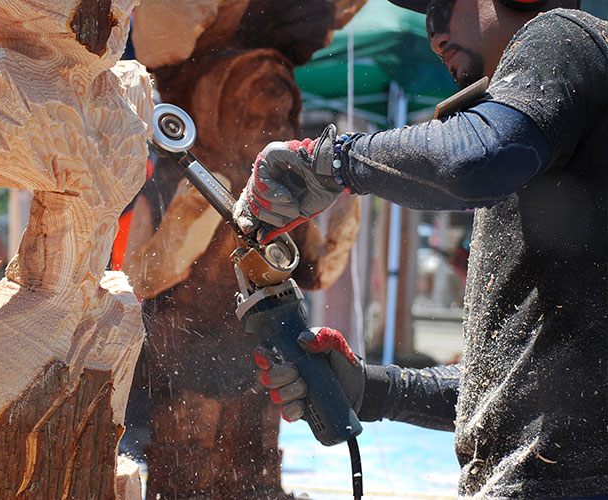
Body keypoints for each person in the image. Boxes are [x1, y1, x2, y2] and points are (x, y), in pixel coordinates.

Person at [233, 0, 607, 498]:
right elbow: (506, 390)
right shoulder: (544, 143)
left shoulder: (564, 36)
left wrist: (334, 162)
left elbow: (474, 160)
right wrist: (372, 388)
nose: (435, 36)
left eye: (441, 8)